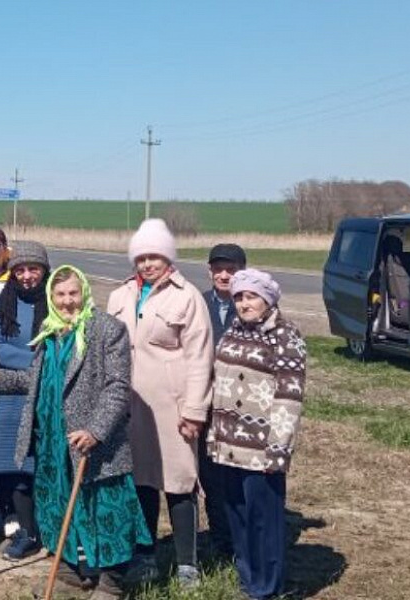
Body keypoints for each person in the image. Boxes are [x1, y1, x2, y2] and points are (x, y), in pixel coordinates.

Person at [0, 266, 151, 599]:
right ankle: (71, 570)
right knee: (57, 506)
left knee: (105, 511)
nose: (68, 301)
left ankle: (111, 582)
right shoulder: (50, 331)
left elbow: (117, 386)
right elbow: (35, 380)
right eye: (60, 295)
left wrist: (96, 430)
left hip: (93, 443)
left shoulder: (106, 329)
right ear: (51, 299)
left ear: (83, 292)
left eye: (73, 293)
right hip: (53, 441)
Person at [106, 218, 213, 588]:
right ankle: (146, 554)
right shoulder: (119, 296)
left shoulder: (187, 297)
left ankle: (187, 563)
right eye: (141, 257)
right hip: (130, 410)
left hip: (173, 408)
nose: (148, 264)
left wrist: (195, 411)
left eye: (155, 257)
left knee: (180, 482)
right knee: (141, 481)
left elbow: (200, 358)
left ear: (168, 258)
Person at [207, 269, 306, 600]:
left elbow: (289, 397)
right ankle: (248, 578)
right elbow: (218, 384)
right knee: (237, 514)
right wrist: (214, 435)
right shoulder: (232, 333)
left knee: (264, 519)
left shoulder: (285, 337)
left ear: (268, 299)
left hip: (262, 448)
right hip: (229, 443)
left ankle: (267, 587)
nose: (244, 303)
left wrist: (279, 448)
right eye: (239, 297)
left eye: (251, 297)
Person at [0, 240, 50, 561]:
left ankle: (45, 527)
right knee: (13, 467)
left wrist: (37, 365)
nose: (26, 276)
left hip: (45, 397)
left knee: (40, 466)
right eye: (20, 269)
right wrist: (33, 362)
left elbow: (58, 346)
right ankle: (25, 531)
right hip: (9, 397)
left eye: (33, 269)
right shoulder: (2, 303)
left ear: (44, 271)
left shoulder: (55, 301)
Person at [200, 242, 247, 561]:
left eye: (231, 269)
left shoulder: (252, 306)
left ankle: (242, 536)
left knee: (238, 476)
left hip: (241, 407)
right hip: (205, 404)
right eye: (218, 269)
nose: (224, 275)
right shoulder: (198, 304)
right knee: (210, 476)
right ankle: (221, 541)